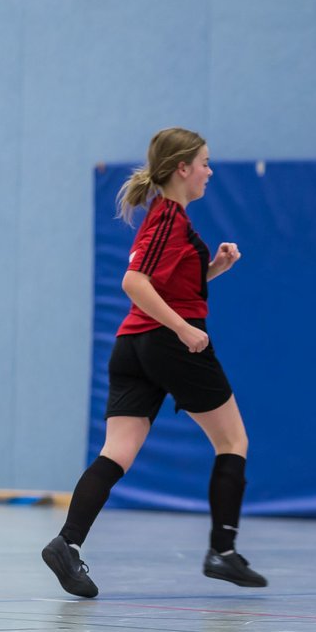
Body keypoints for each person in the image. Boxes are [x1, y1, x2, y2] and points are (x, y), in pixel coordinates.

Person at [42, 127, 265, 598]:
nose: (209, 170)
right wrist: (184, 329)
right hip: (166, 345)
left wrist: (214, 270)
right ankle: (222, 551)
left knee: (116, 452)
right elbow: (134, 282)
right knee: (233, 440)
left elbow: (165, 285)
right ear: (182, 168)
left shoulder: (172, 221)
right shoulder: (167, 217)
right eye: (204, 162)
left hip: (133, 349)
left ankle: (67, 543)